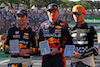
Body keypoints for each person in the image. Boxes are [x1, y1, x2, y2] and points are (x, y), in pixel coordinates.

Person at [39, 3, 72, 67]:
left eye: (54, 11)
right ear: (47, 13)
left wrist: (58, 50)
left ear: (58, 12)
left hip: (59, 58)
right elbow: (39, 41)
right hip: (46, 58)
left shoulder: (64, 25)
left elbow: (69, 42)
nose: (52, 14)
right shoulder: (43, 25)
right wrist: (40, 49)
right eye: (50, 12)